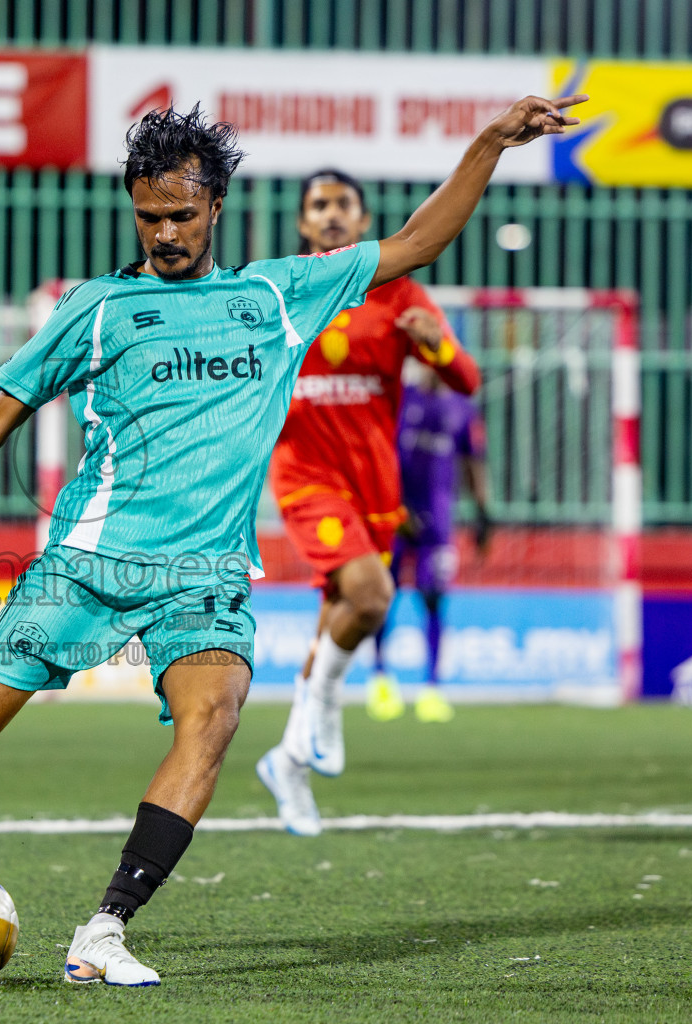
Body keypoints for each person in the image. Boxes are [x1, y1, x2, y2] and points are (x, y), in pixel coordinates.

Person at [0, 95, 584, 985]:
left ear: (215, 205)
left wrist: (489, 143)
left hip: (203, 577)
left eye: (180, 214)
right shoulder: (97, 307)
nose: (164, 232)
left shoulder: (276, 296)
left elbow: (415, 245)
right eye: (148, 217)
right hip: (89, 565)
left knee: (212, 720)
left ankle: (104, 930)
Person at [253, 169, 482, 838]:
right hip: (305, 475)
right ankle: (324, 705)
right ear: (302, 224)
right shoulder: (279, 292)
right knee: (373, 594)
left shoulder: (401, 290)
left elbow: (465, 379)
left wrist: (433, 342)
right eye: (317, 205)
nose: (329, 215)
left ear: (362, 220)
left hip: (375, 488)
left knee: (339, 615)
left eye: (341, 205)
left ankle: (288, 762)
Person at [369, 362, 493, 722]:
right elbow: (379, 453)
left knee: (435, 598)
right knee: (382, 596)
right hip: (395, 518)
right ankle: (380, 680)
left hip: (438, 524)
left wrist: (484, 513)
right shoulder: (400, 398)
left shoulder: (461, 406)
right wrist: (394, 505)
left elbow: (474, 462)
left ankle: (432, 688)